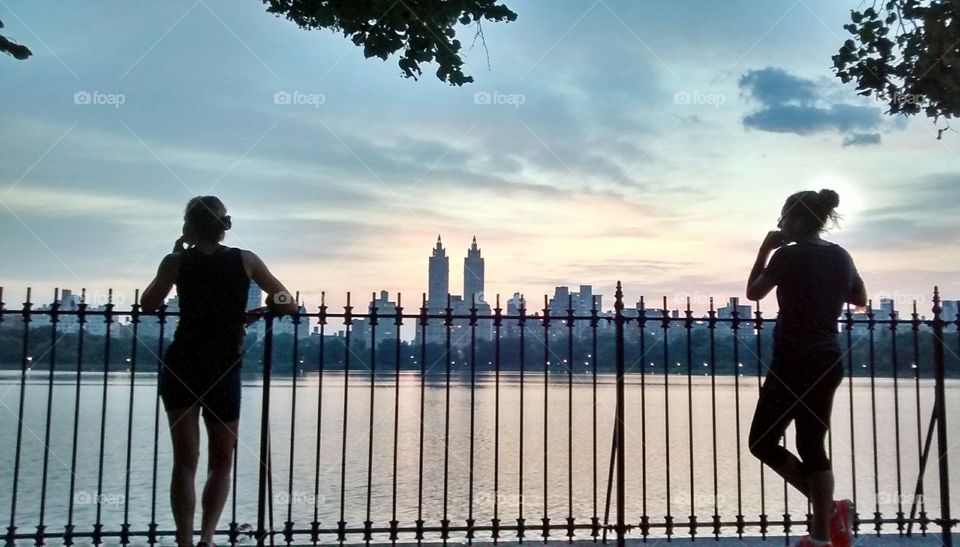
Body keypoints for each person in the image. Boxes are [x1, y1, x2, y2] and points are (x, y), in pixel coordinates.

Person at [141, 196, 297, 547]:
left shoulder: (176, 261)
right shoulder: (246, 260)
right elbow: (289, 302)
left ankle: (184, 541)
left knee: (184, 461)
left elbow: (148, 304)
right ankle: (207, 539)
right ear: (223, 225)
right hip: (223, 365)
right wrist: (263, 307)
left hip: (182, 362)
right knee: (221, 460)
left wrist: (177, 254)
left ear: (189, 226)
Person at [746, 189, 867, 547]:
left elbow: (754, 293)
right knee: (812, 443)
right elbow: (859, 298)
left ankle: (830, 514)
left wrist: (764, 250)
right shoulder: (841, 256)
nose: (779, 223)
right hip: (828, 358)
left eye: (781, 217)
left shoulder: (788, 255)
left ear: (794, 219)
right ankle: (822, 535)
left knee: (762, 442)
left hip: (794, 359)